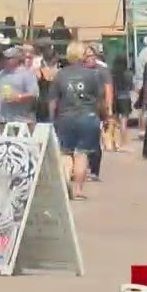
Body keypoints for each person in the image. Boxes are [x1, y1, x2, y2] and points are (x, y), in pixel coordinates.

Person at [50, 42, 102, 201]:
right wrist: (100, 114)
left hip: (66, 117)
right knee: (82, 154)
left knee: (66, 153)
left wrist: (52, 118)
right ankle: (78, 189)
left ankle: (66, 184)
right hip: (87, 116)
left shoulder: (60, 75)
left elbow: (53, 100)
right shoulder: (92, 74)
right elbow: (99, 98)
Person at [83, 45, 113, 182]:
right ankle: (84, 168)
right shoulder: (80, 70)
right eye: (87, 56)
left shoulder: (102, 71)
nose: (90, 58)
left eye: (92, 55)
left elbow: (108, 90)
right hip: (81, 108)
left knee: (95, 139)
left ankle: (94, 170)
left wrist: (109, 109)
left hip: (97, 108)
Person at [0, 46, 38, 124]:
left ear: (16, 59)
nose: (4, 61)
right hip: (3, 119)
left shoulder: (27, 74)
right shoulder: (1, 74)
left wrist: (18, 97)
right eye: (4, 58)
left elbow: (34, 93)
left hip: (22, 120)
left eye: (8, 58)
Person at [108, 54, 132, 152]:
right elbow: (131, 86)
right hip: (125, 97)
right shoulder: (128, 73)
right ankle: (123, 143)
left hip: (115, 97)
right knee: (124, 121)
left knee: (114, 121)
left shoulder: (112, 73)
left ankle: (113, 143)